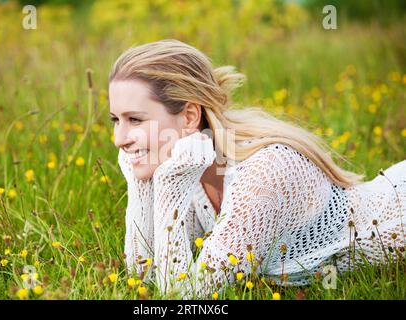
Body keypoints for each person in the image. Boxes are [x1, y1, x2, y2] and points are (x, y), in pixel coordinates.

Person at [108, 39, 406, 299]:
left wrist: (170, 182)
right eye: (115, 120)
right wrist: (141, 184)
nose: (118, 139)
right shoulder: (190, 166)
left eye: (135, 120)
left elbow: (183, 296)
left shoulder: (264, 174)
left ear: (188, 116)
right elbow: (143, 278)